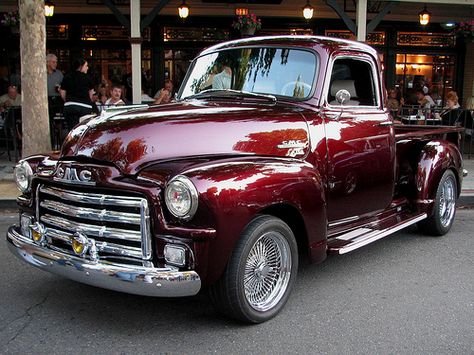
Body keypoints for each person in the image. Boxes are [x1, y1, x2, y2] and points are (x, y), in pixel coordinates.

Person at [60, 58, 94, 130]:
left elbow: (62, 92)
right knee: (84, 129)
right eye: (86, 66)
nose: (87, 68)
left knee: (73, 129)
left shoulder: (67, 76)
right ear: (81, 67)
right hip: (85, 106)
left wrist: (68, 100)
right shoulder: (87, 77)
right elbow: (91, 93)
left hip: (71, 105)